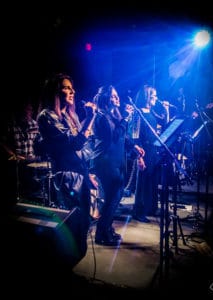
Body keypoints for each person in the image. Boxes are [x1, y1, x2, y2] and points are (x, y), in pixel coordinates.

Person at [36, 72, 97, 263]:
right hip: (66, 178)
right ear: (56, 91)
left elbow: (85, 148)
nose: (72, 91)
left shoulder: (71, 116)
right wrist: (90, 119)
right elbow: (74, 143)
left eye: (72, 88)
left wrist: (88, 175)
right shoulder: (47, 116)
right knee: (72, 228)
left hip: (80, 175)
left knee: (84, 226)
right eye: (66, 87)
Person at [91, 85, 145, 246]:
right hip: (106, 163)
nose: (117, 98)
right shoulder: (100, 116)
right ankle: (101, 234)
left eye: (116, 96)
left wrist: (134, 146)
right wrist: (127, 117)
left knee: (115, 197)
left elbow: (123, 137)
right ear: (106, 99)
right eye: (113, 96)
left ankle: (107, 229)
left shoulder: (114, 115)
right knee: (112, 198)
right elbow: (114, 136)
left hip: (116, 161)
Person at [130, 84, 169, 223]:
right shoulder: (137, 113)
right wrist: (139, 157)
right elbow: (134, 136)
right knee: (142, 183)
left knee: (152, 181)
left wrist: (166, 110)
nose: (156, 98)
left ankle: (150, 208)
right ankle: (138, 211)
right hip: (143, 150)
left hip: (153, 151)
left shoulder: (151, 112)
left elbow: (164, 123)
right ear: (147, 96)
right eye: (154, 96)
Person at [0, 101, 40, 202]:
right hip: (16, 162)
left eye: (30, 110)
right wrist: (13, 155)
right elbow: (2, 142)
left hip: (31, 161)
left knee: (32, 187)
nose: (28, 112)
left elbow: (39, 143)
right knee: (18, 189)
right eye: (25, 110)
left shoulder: (34, 124)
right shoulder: (11, 124)